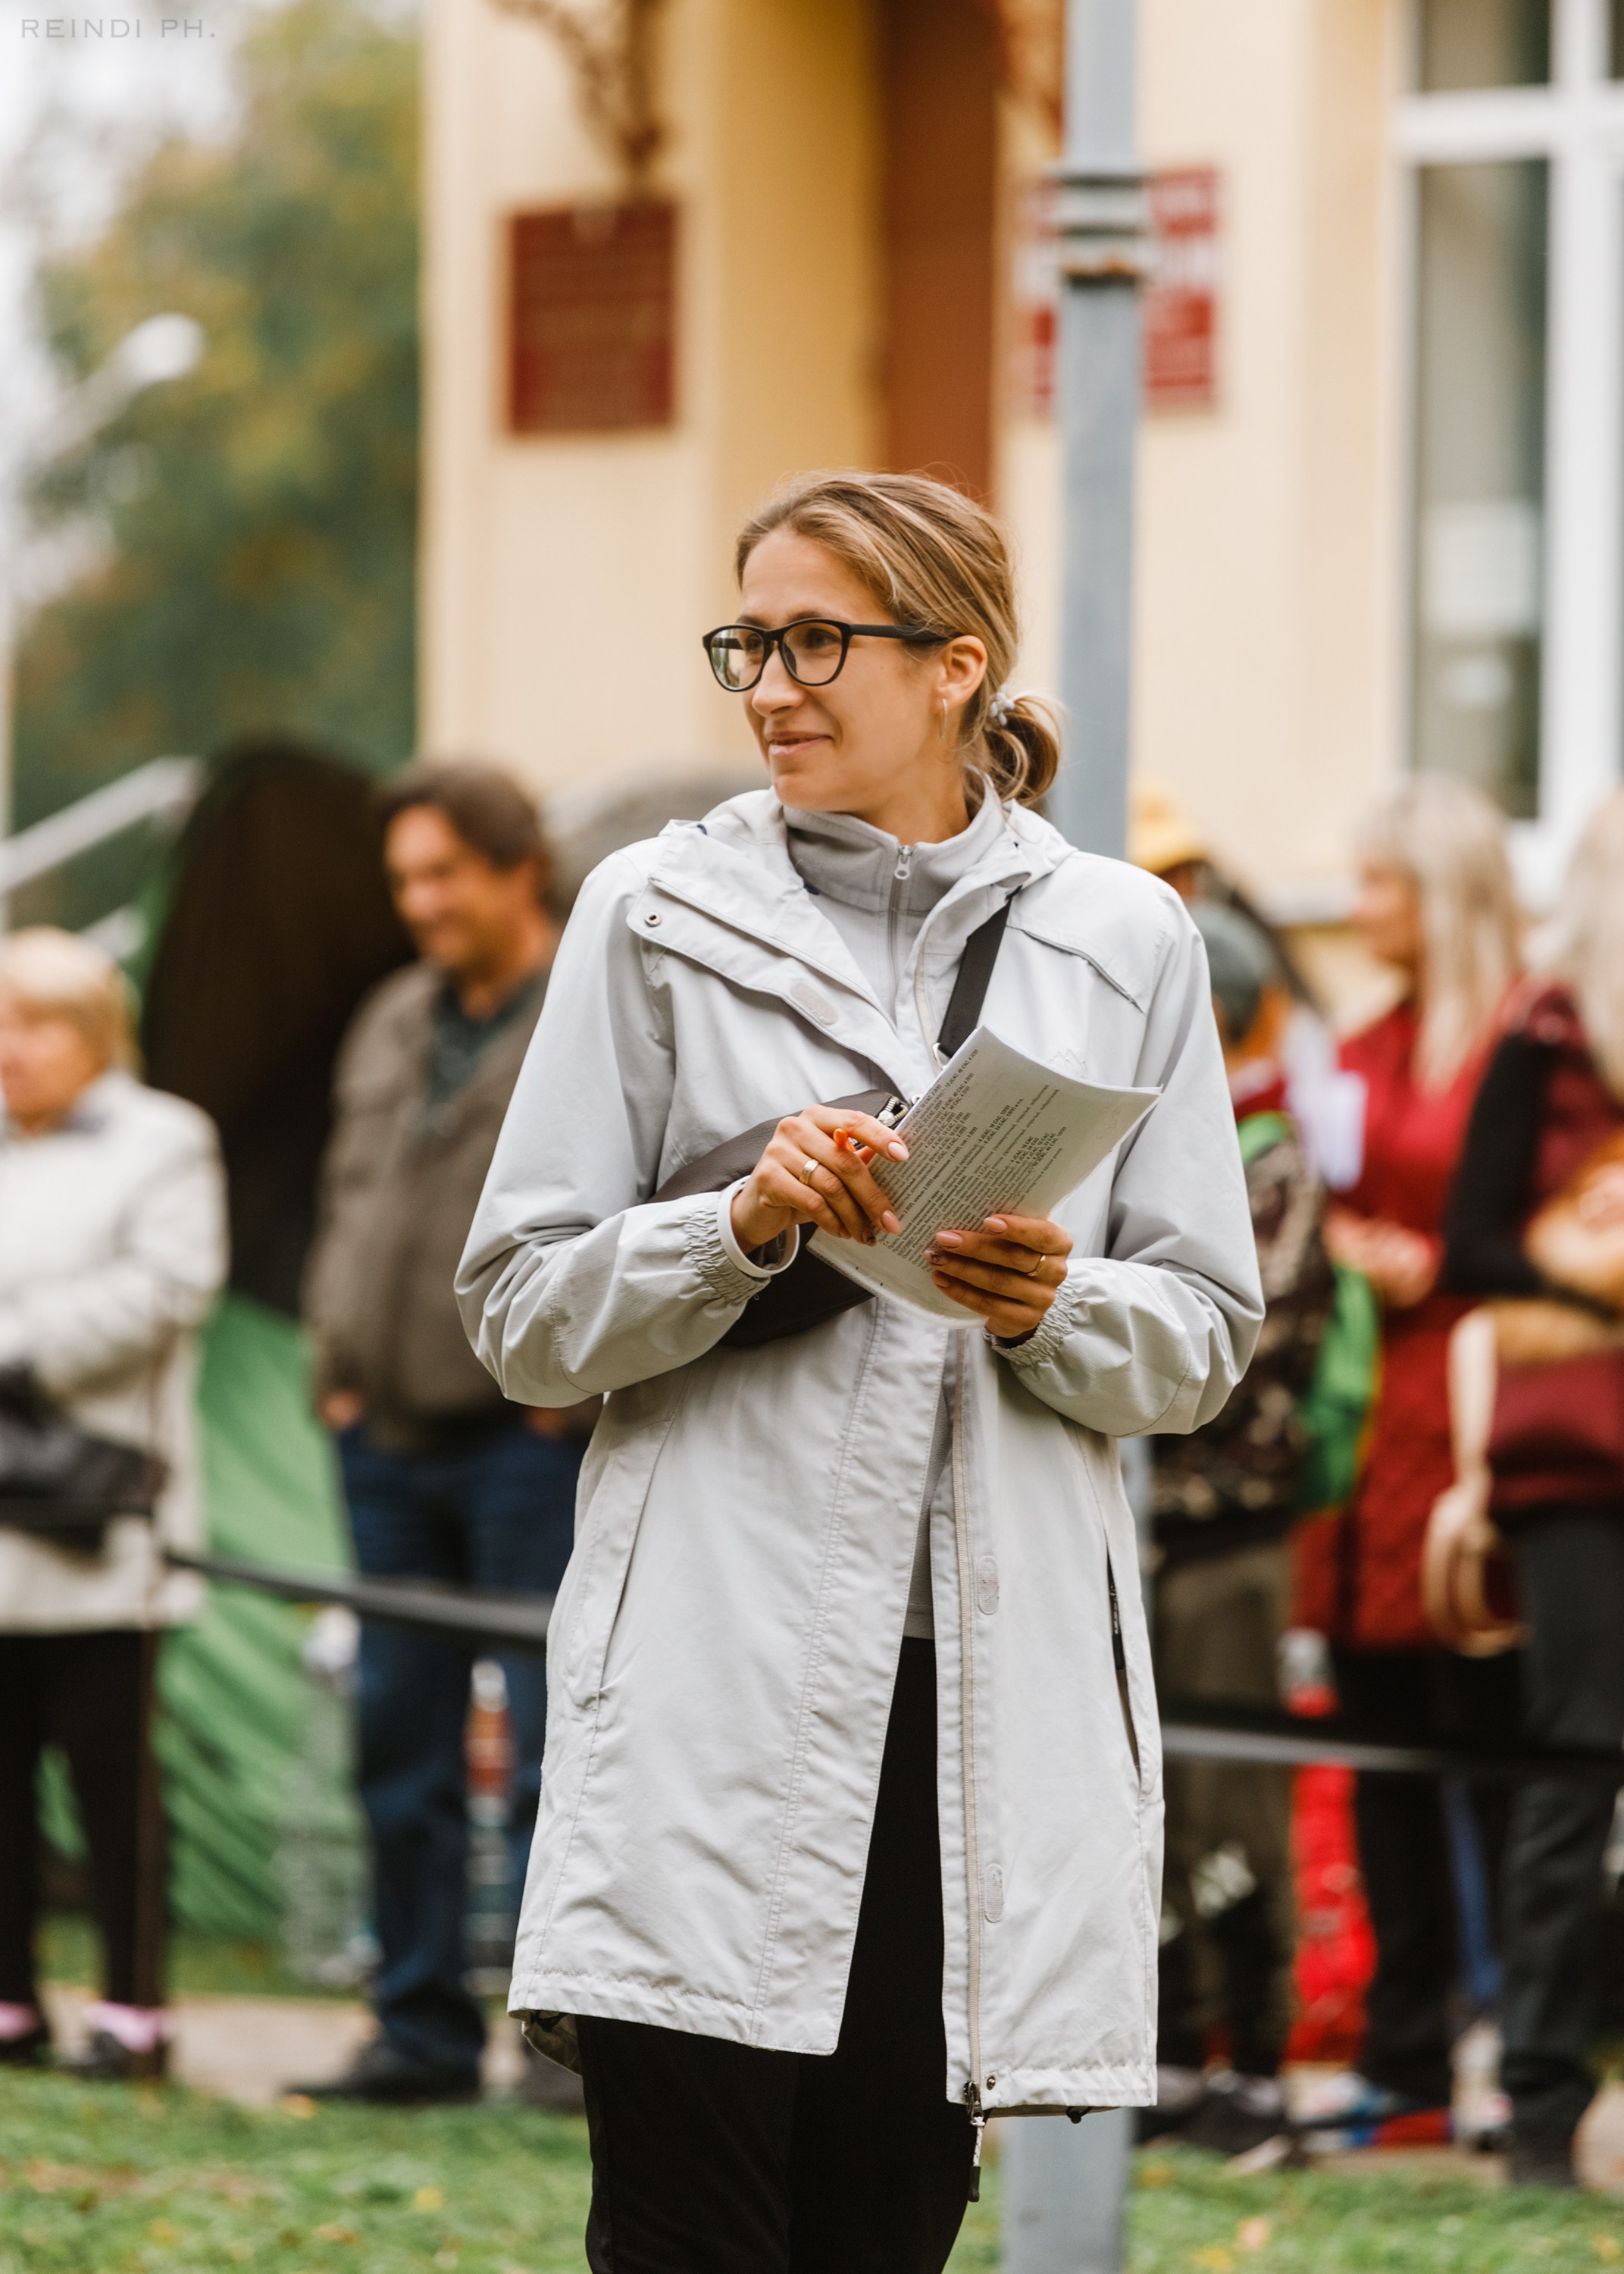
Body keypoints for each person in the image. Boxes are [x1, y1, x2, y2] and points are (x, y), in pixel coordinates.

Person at [458, 471, 1264, 2273]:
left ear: (957, 663)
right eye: (748, 640)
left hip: (974, 1716)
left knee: (882, 2233)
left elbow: (1204, 1340)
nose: (769, 685)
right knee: (684, 2235)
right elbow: (514, 1308)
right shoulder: (650, 915)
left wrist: (1047, 1301)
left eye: (818, 639)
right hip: (702, 1688)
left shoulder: (1124, 939)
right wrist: (735, 1226)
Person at [297, 761, 590, 2103]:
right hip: (386, 1442)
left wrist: (574, 1386)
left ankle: (558, 2044)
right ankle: (416, 2027)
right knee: (396, 1744)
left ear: (516, 867)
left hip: (528, 1437)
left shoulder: (593, 1004)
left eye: (443, 876)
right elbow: (345, 1199)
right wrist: (332, 1360)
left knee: (555, 1744)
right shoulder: (390, 1017)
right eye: (404, 879)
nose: (420, 904)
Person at [1291, 775, 1524, 2141]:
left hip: (1480, 1428)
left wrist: (1438, 1261)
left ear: (1441, 893)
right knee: (1383, 1748)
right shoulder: (1362, 1049)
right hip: (1369, 1425)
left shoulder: (1527, 1042)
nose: (1359, 905)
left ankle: (1504, 2041)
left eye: (1380, 882)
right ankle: (1409, 2055)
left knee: (1493, 1746)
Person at [0, 928, 227, 2080]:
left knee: (111, 1779)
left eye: (34, 1024)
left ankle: (135, 2009)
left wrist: (19, 1345)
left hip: (103, 1524)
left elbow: (171, 1286)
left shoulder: (165, 1141)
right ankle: (11, 2001)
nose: (10, 1048)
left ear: (93, 1035)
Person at [1443, 787, 1624, 2187]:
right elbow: (1474, 1246)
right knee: (1579, 1759)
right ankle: (1545, 2102)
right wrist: (1584, 1268)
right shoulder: (1548, 1034)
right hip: (1586, 1460)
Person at [1147, 901, 1335, 2154]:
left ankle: (1256, 2068)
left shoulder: (1270, 1167)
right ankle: (1162, 2058)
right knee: (1150, 1813)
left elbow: (1231, 1353)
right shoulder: (1149, 1152)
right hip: (1139, 1538)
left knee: (1234, 1813)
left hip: (1229, 1542)